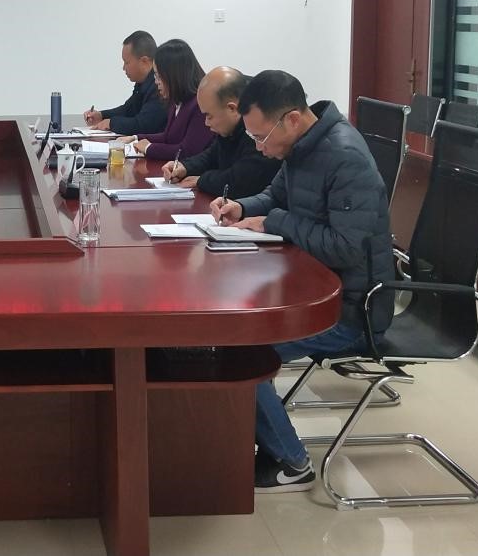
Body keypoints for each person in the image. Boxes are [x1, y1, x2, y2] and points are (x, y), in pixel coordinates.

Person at [210, 70, 395, 493]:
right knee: (229, 332)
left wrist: (274, 221)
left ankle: (292, 462)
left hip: (352, 312)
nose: (259, 147)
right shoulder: (301, 146)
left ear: (291, 119)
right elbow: (275, 197)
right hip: (309, 290)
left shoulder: (344, 157)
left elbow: (345, 248)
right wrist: (242, 207)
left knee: (241, 348)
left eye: (261, 137)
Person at [161, 67, 280, 200]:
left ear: (232, 109)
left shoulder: (258, 130)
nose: (206, 123)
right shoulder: (230, 129)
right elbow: (213, 154)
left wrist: (201, 180)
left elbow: (241, 182)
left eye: (209, 116)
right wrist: (186, 167)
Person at [117, 39, 213, 160]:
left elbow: (187, 151)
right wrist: (136, 138)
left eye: (158, 76)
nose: (156, 82)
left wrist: (148, 148)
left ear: (174, 75)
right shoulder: (177, 100)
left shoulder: (200, 105)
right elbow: (168, 137)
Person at [82, 30, 167, 135]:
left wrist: (112, 123)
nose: (123, 68)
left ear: (144, 61)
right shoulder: (143, 83)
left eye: (126, 62)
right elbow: (128, 110)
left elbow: (143, 125)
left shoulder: (160, 86)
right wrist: (102, 115)